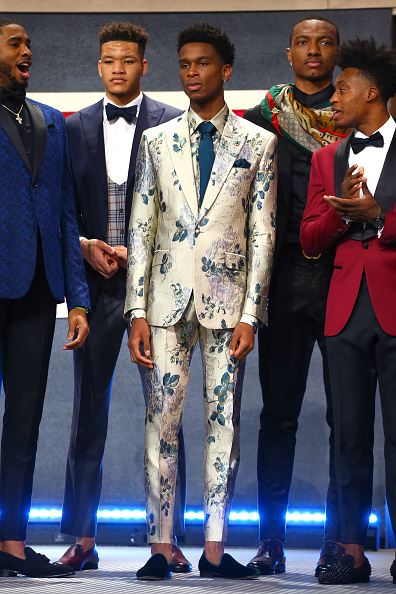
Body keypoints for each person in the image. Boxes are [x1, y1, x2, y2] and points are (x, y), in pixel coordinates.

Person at [125, 22, 277, 580]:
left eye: (203, 64)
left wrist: (251, 313)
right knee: (159, 424)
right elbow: (141, 228)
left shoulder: (258, 143)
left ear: (226, 70)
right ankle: (160, 548)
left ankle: (215, 548)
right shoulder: (156, 141)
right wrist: (135, 311)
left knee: (224, 426)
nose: (192, 73)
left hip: (227, 304)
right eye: (185, 64)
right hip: (164, 305)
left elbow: (264, 233)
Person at [56, 22, 190, 573]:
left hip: (155, 289)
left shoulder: (170, 122)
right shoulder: (72, 127)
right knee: (87, 413)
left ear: (144, 66)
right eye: (109, 59)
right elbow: (62, 207)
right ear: (98, 66)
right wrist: (85, 245)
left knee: (167, 413)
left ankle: (166, 538)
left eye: (128, 60)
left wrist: (146, 252)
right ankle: (82, 538)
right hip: (94, 287)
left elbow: (185, 210)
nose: (118, 68)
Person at [244, 16, 350, 576]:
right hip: (282, 277)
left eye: (325, 43)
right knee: (278, 416)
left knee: (345, 418)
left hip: (342, 276)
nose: (314, 51)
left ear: (337, 51)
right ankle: (271, 541)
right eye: (304, 43)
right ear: (288, 53)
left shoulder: (357, 112)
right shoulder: (266, 115)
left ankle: (339, 540)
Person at [301, 37, 396, 585]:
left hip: (394, 302)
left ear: (373, 92)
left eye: (342, 88)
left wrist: (379, 212)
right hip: (344, 312)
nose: (333, 97)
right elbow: (311, 238)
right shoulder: (326, 158)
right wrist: (343, 214)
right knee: (350, 435)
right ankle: (350, 551)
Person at [0, 19, 90, 578]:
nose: (28, 51)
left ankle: (10, 541)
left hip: (36, 288)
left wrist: (76, 299)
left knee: (26, 419)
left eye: (29, 43)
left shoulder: (49, 122)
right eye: (15, 44)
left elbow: (63, 213)